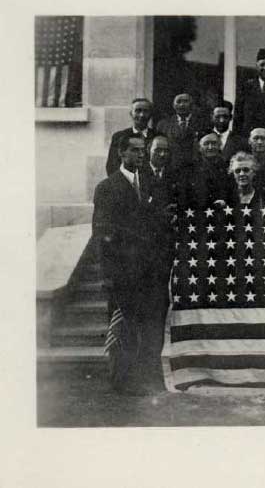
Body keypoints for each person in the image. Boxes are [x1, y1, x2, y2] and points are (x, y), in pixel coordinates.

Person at [93, 136, 168, 394]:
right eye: (134, 150)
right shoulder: (107, 187)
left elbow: (160, 226)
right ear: (121, 153)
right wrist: (108, 274)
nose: (140, 155)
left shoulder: (151, 184)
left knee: (147, 325)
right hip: (123, 272)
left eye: (142, 150)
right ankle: (121, 380)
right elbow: (102, 234)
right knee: (123, 326)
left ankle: (145, 378)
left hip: (149, 272)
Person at [156, 92, 209, 171]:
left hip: (194, 169)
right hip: (170, 168)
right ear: (173, 106)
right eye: (179, 102)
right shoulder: (163, 124)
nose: (182, 105)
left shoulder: (202, 123)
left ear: (191, 105)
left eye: (185, 101)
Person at [105, 98, 155, 176]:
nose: (141, 115)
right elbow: (112, 165)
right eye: (138, 111)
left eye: (145, 111)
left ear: (151, 115)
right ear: (131, 113)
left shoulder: (157, 137)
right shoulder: (119, 136)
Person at [178, 133, 230, 207]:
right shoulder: (190, 170)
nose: (210, 147)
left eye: (214, 143)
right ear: (199, 147)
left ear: (219, 146)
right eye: (206, 144)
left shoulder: (227, 168)